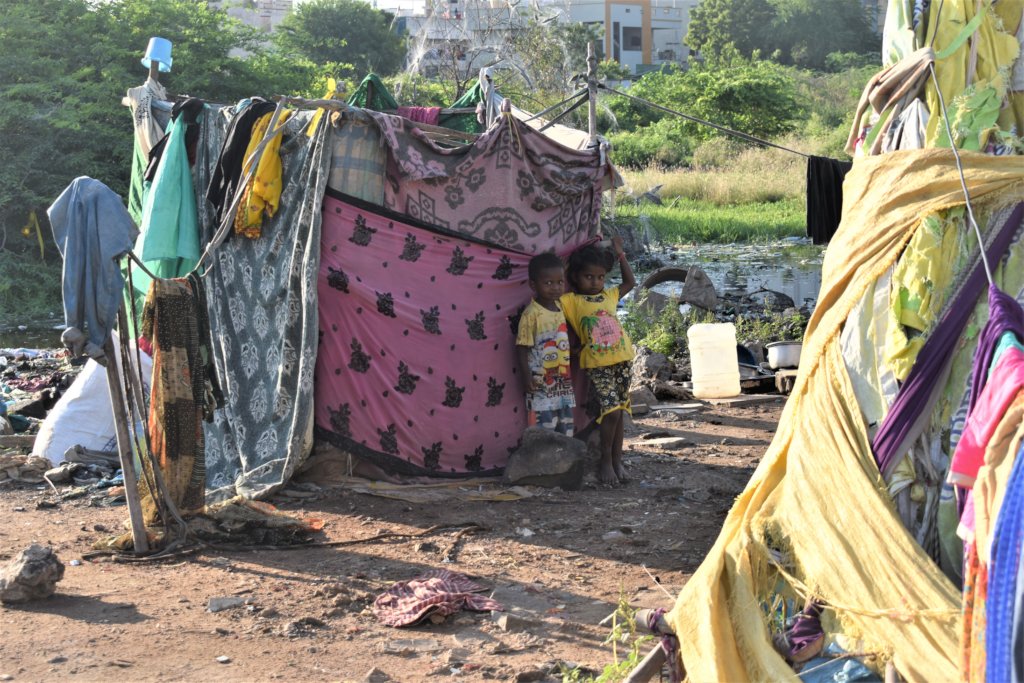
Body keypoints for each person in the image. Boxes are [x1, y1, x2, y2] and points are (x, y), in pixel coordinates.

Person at [562, 236, 635, 485]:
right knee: (611, 411)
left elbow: (630, 282)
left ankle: (617, 460)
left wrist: (620, 254)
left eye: (600, 277)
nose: (595, 282)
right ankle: (605, 461)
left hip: (623, 359)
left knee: (621, 411)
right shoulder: (571, 301)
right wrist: (569, 261)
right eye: (588, 277)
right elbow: (558, 282)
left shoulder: (610, 295)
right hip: (597, 363)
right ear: (575, 277)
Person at [516, 252, 576, 436]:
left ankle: (566, 463)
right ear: (533, 285)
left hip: (562, 382)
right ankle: (544, 464)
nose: (555, 287)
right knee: (543, 430)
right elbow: (521, 348)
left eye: (560, 282)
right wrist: (526, 378)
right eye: (548, 283)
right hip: (540, 384)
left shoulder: (560, 307)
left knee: (565, 428)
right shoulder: (531, 314)